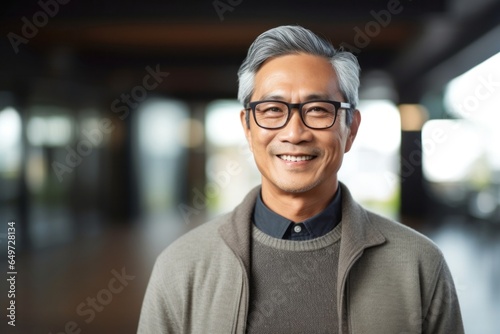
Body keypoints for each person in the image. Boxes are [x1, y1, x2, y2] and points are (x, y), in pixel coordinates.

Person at [137, 25, 464, 334]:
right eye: (272, 110)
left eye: (319, 109)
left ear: (350, 129)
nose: (294, 133)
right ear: (248, 129)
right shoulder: (181, 266)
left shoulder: (418, 263)